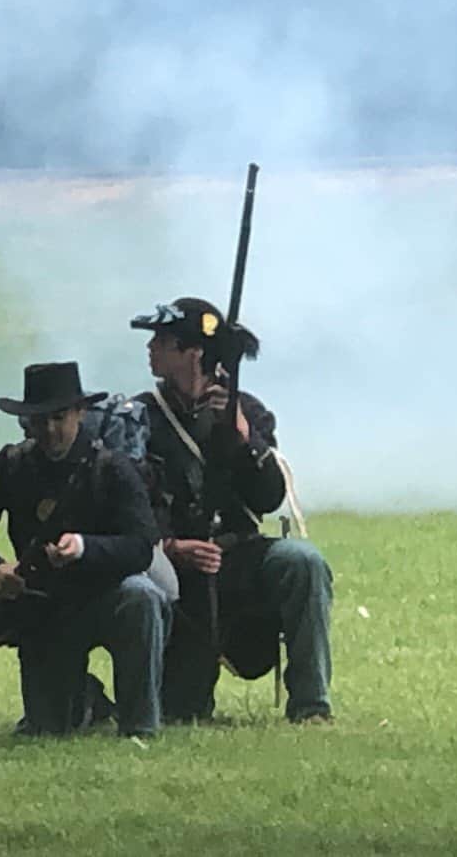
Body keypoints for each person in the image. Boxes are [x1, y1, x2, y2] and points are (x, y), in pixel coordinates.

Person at [129, 297, 333, 724]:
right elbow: (133, 502)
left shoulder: (248, 411)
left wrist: (242, 435)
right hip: (177, 568)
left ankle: (311, 706)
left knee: (303, 561)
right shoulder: (141, 416)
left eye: (163, 342)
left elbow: (269, 497)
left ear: (194, 353)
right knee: (182, 711)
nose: (151, 349)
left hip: (238, 556)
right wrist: (170, 545)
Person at [0, 362, 166, 737]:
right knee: (48, 726)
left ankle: (140, 725)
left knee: (141, 597)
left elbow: (140, 546)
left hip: (107, 595)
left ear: (80, 413)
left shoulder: (114, 468)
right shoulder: (10, 466)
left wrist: (85, 548)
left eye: (59, 418)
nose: (50, 430)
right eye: (40, 421)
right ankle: (90, 702)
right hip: (43, 604)